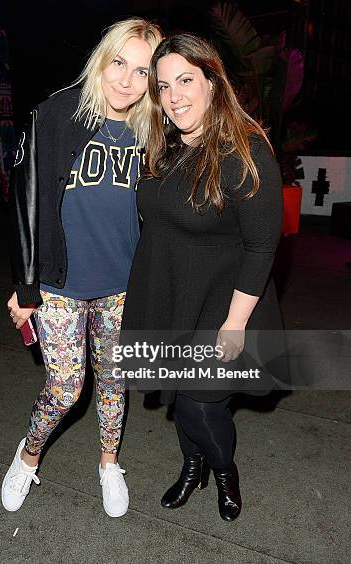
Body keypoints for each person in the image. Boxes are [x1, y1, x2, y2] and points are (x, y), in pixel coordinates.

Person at [3, 18, 163, 518]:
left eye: (141, 72)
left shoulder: (153, 130)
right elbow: (25, 199)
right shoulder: (56, 113)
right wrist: (25, 283)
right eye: (120, 62)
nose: (126, 81)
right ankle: (27, 457)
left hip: (122, 283)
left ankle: (108, 463)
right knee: (66, 387)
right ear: (102, 58)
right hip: (60, 284)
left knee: (115, 383)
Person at [121, 34, 284, 521]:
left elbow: (261, 245)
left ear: (213, 82)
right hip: (169, 292)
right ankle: (192, 466)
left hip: (222, 301)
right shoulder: (163, 146)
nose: (175, 97)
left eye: (187, 80)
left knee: (199, 403)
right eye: (165, 85)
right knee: (178, 394)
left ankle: (223, 469)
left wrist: (234, 324)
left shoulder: (243, 150)